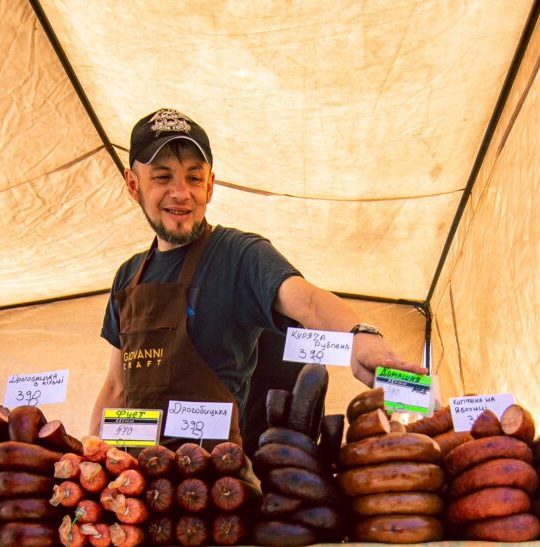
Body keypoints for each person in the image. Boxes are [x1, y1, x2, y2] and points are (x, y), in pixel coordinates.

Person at [89, 108, 426, 449]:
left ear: (210, 186)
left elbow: (308, 301)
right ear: (133, 185)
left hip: (212, 480)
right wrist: (91, 457)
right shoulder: (128, 277)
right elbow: (116, 386)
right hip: (134, 480)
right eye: (162, 178)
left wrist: (361, 337)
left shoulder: (239, 254)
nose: (181, 193)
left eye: (194, 177)